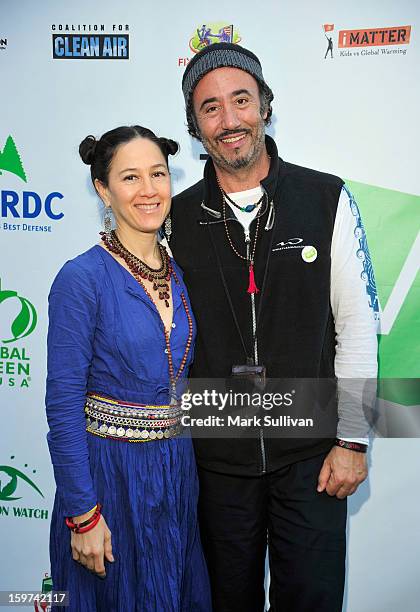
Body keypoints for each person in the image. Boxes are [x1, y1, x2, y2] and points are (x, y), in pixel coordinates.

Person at [170, 43, 379, 611]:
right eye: (210, 108)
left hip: (313, 460)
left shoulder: (325, 198)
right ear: (195, 125)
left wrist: (352, 439)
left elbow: (358, 327)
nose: (230, 119)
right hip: (215, 465)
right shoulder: (175, 218)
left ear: (265, 105)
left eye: (241, 100)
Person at [45, 125, 211, 611]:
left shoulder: (177, 272)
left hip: (176, 476)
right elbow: (62, 406)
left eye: (158, 174)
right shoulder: (81, 278)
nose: (148, 190)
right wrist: (82, 514)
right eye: (130, 177)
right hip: (110, 480)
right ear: (103, 190)